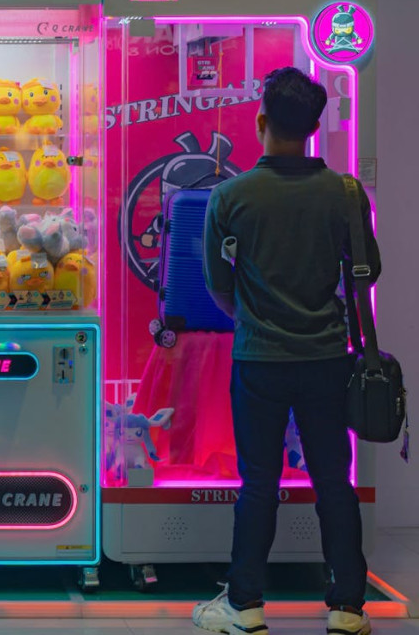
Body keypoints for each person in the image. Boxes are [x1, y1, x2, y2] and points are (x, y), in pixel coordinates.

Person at [193, 67, 379, 635]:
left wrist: (254, 317)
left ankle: (245, 605)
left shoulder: (230, 196)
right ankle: (348, 607)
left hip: (258, 359)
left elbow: (217, 285)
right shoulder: (345, 193)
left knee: (258, 482)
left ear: (261, 121)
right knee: (333, 481)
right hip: (327, 359)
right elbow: (368, 272)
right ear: (315, 127)